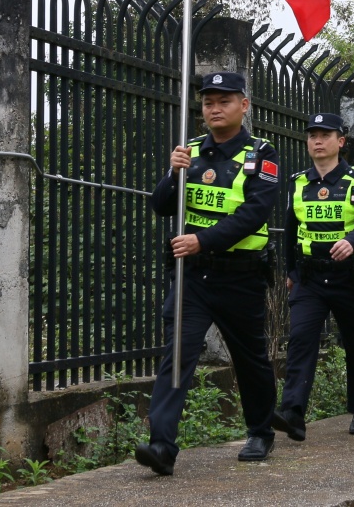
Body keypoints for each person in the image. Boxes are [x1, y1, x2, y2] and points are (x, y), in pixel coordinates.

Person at [135, 71, 279, 476]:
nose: (214, 109)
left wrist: (203, 240)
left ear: (243, 106)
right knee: (177, 354)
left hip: (240, 276)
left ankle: (260, 430)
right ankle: (162, 445)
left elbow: (255, 213)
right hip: (192, 276)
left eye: (224, 101)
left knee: (250, 358)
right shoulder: (191, 150)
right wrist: (172, 174)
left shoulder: (261, 154)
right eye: (208, 102)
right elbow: (161, 205)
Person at [272, 112, 354, 440]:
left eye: (325, 135)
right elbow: (290, 229)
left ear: (340, 141)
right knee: (301, 339)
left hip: (349, 278)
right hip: (309, 279)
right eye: (312, 136)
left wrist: (352, 241)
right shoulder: (298, 182)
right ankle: (293, 413)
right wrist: (291, 271)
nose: (317, 141)